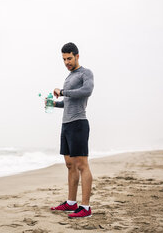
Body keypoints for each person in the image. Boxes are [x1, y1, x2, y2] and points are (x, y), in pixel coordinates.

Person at [49, 42, 94, 218]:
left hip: (78, 124)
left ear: (77, 56)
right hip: (66, 125)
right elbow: (68, 101)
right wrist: (54, 103)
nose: (66, 62)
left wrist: (64, 92)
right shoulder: (68, 78)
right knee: (69, 165)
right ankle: (71, 203)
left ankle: (86, 208)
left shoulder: (85, 73)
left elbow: (87, 91)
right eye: (64, 59)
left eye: (69, 58)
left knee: (82, 165)